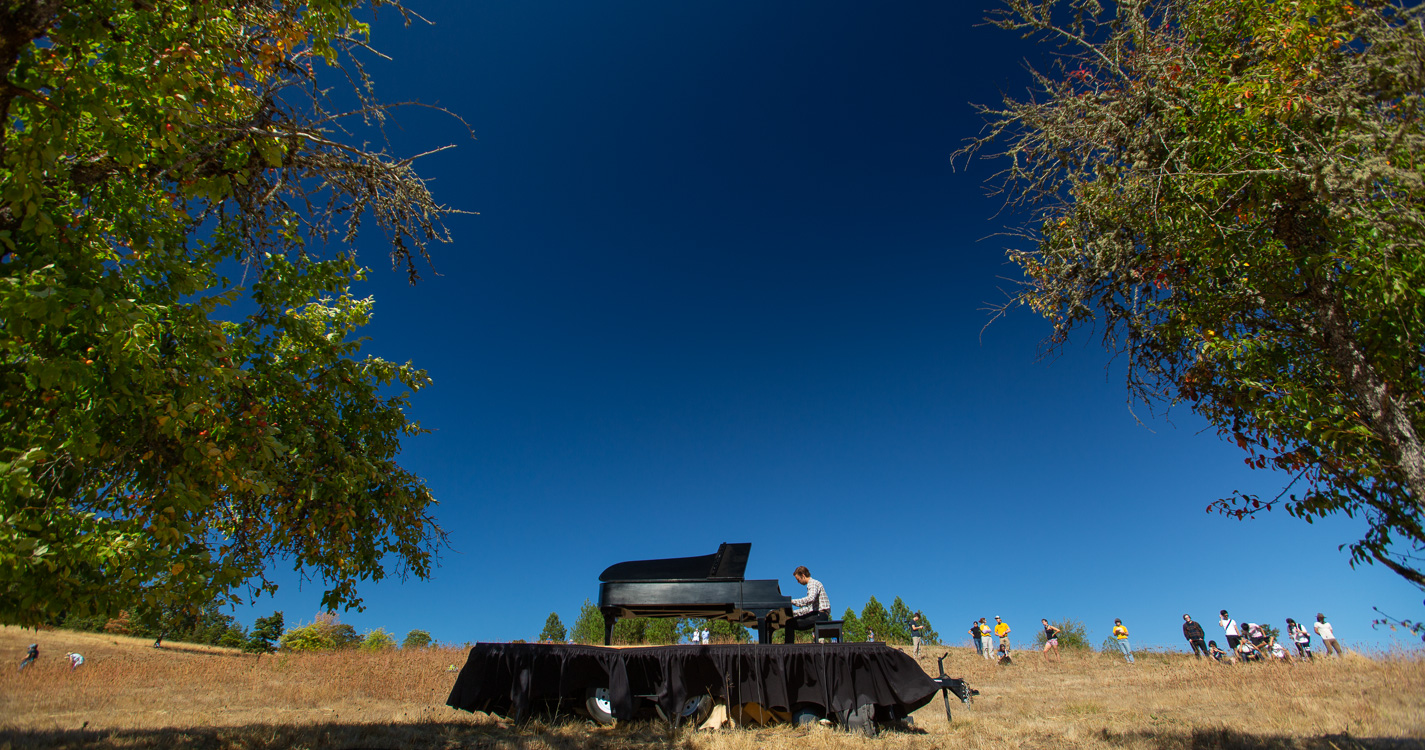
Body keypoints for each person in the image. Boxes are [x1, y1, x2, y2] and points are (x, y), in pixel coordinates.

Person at [784, 566, 830, 643]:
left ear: (803, 575)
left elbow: (810, 599)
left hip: (819, 615)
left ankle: (788, 650)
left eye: (798, 580)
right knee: (790, 622)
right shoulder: (814, 584)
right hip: (820, 615)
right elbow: (808, 609)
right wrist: (793, 613)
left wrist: (791, 602)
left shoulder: (812, 583)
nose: (798, 582)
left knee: (789, 623)